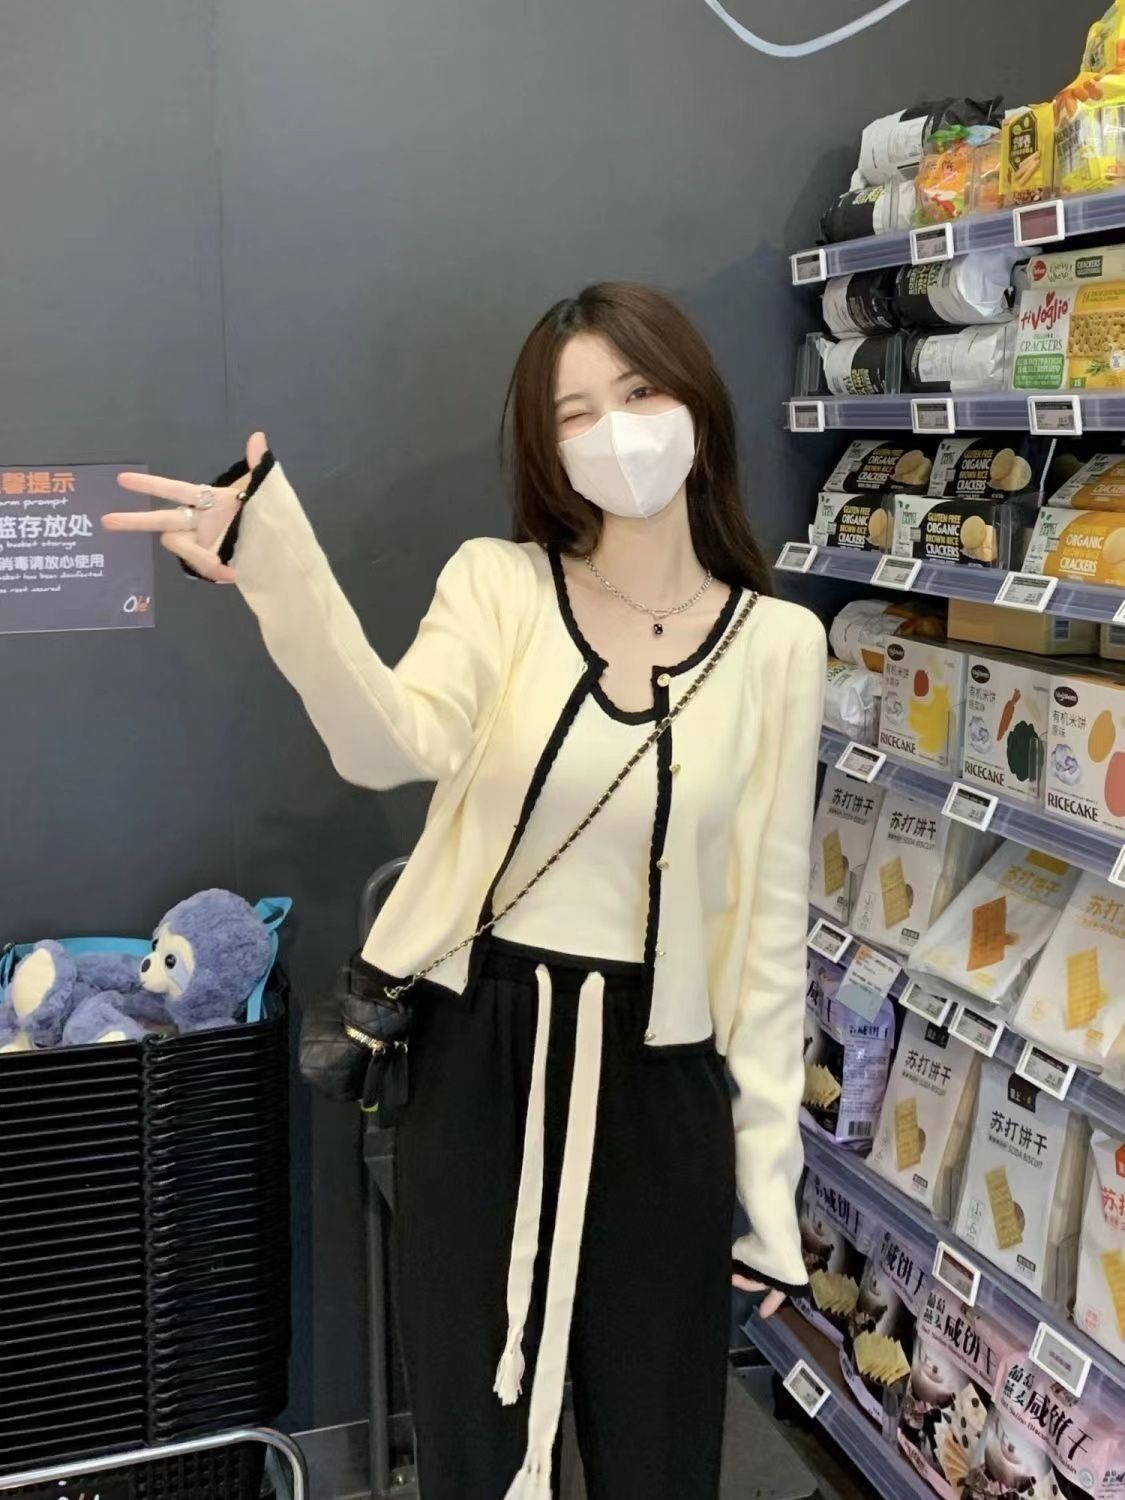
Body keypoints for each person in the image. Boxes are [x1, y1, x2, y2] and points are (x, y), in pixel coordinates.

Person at [104, 282, 826, 1500]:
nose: (616, 430)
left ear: (697, 406)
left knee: (659, 1442)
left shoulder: (778, 646)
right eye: (576, 411)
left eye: (639, 391)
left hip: (663, 1075)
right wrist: (276, 565)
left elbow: (767, 937)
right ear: (547, 447)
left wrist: (766, 1186)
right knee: (472, 1430)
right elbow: (385, 739)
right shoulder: (500, 585)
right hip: (481, 1049)